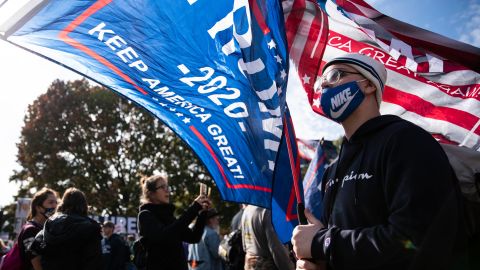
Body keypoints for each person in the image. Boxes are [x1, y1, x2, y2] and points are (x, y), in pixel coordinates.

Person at [291, 53, 466, 270]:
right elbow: (339, 246)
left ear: (368, 85)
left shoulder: (406, 141)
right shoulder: (332, 170)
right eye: (321, 81)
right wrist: (321, 263)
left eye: (335, 75)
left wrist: (322, 242)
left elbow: (419, 241)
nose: (325, 84)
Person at [137, 175, 211, 270]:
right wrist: (194, 208)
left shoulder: (169, 217)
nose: (167, 190)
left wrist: (203, 213)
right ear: (151, 194)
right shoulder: (145, 215)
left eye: (167, 187)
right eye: (162, 187)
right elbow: (165, 236)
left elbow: (193, 237)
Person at [32, 187, 103, 270]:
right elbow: (95, 261)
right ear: (84, 205)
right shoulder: (91, 227)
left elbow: (35, 247)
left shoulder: (50, 223)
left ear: (63, 204)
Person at [241, 205, 294, 270]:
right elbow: (276, 248)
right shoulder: (267, 211)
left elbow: (244, 246)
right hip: (266, 265)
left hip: (249, 265)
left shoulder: (246, 210)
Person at [18, 187, 58, 270]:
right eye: (51, 202)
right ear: (38, 207)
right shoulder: (30, 230)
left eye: (56, 202)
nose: (55, 206)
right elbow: (37, 265)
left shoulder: (46, 228)